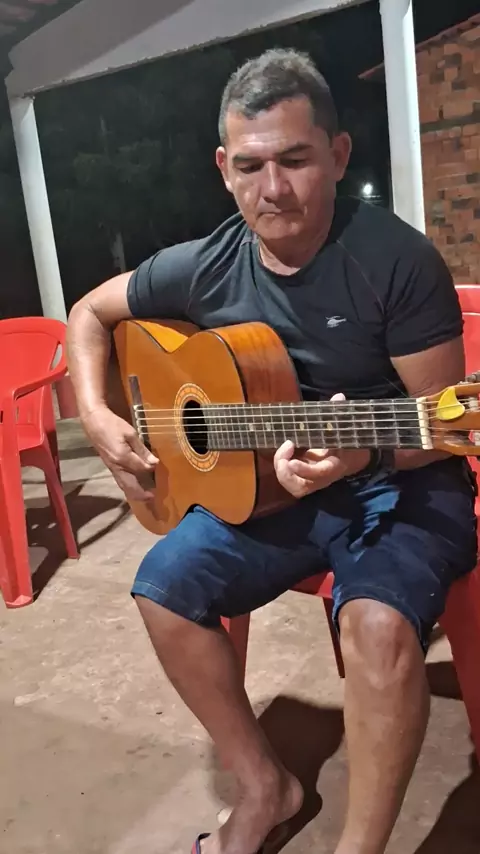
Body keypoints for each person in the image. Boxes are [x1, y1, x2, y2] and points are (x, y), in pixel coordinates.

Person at [67, 48, 477, 854]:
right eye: (251, 166)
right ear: (224, 168)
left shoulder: (396, 263)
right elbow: (88, 313)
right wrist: (99, 413)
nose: (274, 188)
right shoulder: (206, 265)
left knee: (378, 628)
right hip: (270, 485)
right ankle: (265, 786)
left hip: (403, 478)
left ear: (339, 155)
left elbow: (446, 428)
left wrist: (361, 459)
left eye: (295, 159)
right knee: (163, 587)